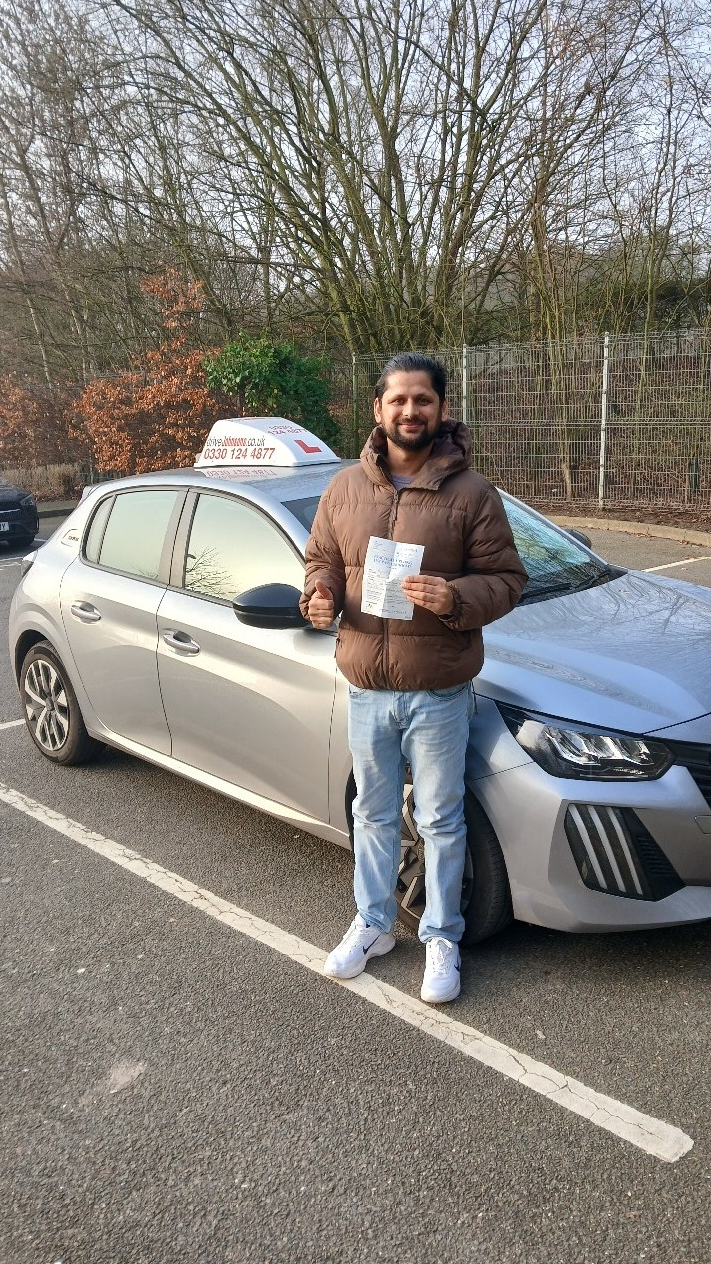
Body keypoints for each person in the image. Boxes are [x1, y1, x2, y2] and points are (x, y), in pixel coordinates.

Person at [300, 352, 527, 1003]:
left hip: (439, 690)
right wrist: (316, 595)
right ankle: (373, 924)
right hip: (368, 685)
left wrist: (455, 596)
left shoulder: (472, 495)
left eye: (422, 399)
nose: (409, 410)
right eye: (397, 400)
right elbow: (321, 560)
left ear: (442, 408)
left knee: (440, 819)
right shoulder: (344, 489)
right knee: (370, 811)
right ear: (377, 409)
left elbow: (508, 580)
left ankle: (441, 937)